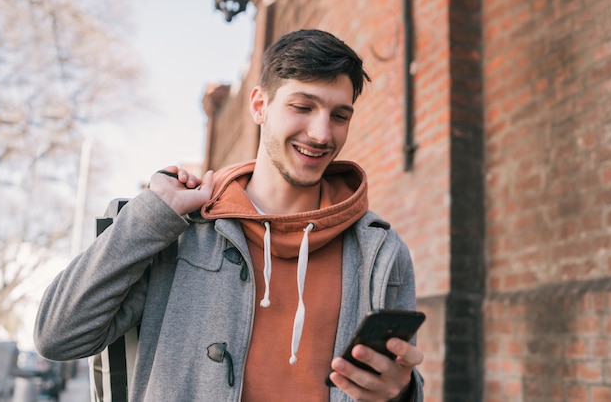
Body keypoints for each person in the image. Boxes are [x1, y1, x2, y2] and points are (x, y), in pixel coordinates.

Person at [34, 29, 424, 401]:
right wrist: (150, 217)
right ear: (259, 106)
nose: (322, 134)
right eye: (302, 107)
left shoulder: (381, 252)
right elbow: (59, 336)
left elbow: (392, 381)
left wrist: (401, 393)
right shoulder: (180, 230)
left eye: (340, 115)